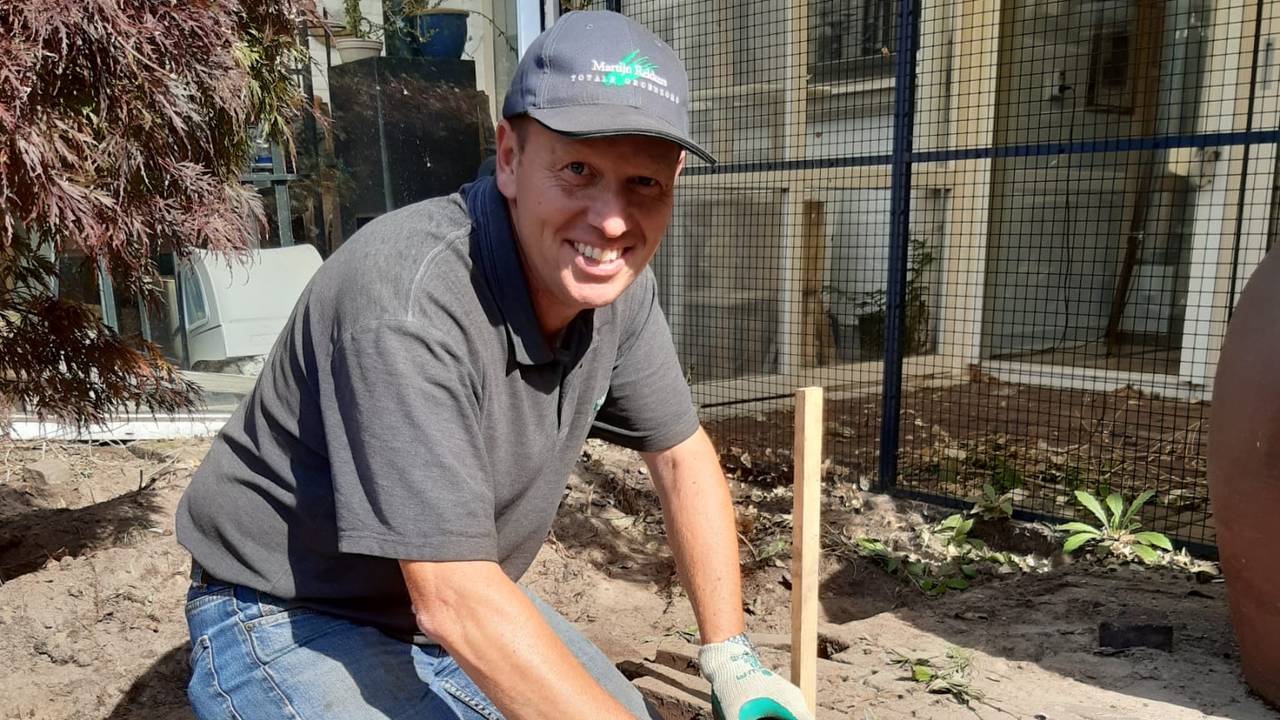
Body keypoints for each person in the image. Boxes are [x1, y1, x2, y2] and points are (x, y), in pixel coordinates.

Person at [176, 10, 813, 720]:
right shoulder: (409, 297)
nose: (611, 221)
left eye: (644, 184)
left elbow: (682, 456)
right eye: (578, 170)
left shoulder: (617, 295)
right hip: (292, 610)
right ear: (509, 158)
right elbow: (452, 600)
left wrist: (731, 657)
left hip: (456, 591)